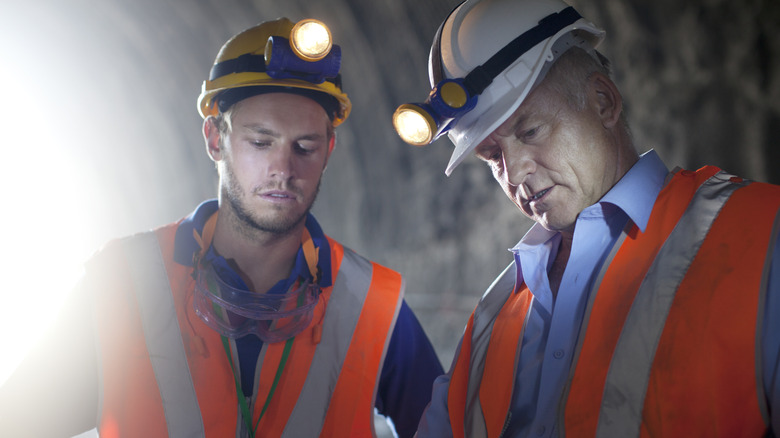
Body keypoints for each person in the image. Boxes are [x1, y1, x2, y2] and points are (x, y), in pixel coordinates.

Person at [0, 17, 443, 438]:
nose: (283, 169)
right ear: (215, 139)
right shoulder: (122, 282)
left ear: (329, 149)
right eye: (260, 142)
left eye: (304, 147)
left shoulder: (372, 304)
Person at [392, 0, 780, 436]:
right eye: (492, 155)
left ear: (603, 102)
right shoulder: (495, 309)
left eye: (529, 131)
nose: (514, 172)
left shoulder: (761, 233)